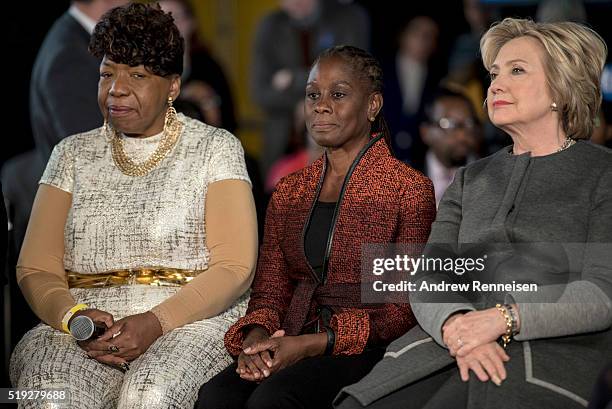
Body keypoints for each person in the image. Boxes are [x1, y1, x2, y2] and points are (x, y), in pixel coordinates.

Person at [336, 18, 611, 409]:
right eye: (495, 73)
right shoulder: (471, 179)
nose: (495, 84)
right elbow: (430, 276)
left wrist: (502, 319)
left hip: (543, 353)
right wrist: (456, 325)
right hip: (442, 346)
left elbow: (603, 293)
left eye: (517, 70)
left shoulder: (603, 173)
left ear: (561, 87)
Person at [9, 4, 257, 408]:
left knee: (150, 395)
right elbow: (35, 267)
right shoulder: (71, 154)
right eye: (107, 73)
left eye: (137, 75)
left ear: (173, 86)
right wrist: (76, 318)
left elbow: (235, 266)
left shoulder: (215, 148)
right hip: (78, 330)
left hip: (192, 323)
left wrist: (155, 322)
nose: (116, 89)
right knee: (47, 397)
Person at [196, 45, 436, 409]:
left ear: (372, 105)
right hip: (291, 336)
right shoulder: (291, 190)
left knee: (274, 400)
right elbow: (271, 290)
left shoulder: (407, 189)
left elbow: (398, 312)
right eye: (313, 95)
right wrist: (256, 342)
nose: (321, 105)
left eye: (338, 95)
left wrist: (312, 344)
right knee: (216, 396)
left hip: (365, 346)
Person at [251, 0, 370, 176]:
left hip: (340, 141)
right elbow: (260, 92)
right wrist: (303, 103)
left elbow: (351, 76)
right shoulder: (270, 26)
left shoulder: (347, 18)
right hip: (283, 143)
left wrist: (294, 78)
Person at [383, 16, 444, 168]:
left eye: (430, 35)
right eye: (417, 32)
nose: (423, 40)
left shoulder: (438, 80)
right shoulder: (378, 71)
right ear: (403, 36)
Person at [419, 87, 481, 207]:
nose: (462, 134)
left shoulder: (489, 176)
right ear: (426, 132)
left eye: (469, 123)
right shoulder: (402, 180)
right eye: (449, 124)